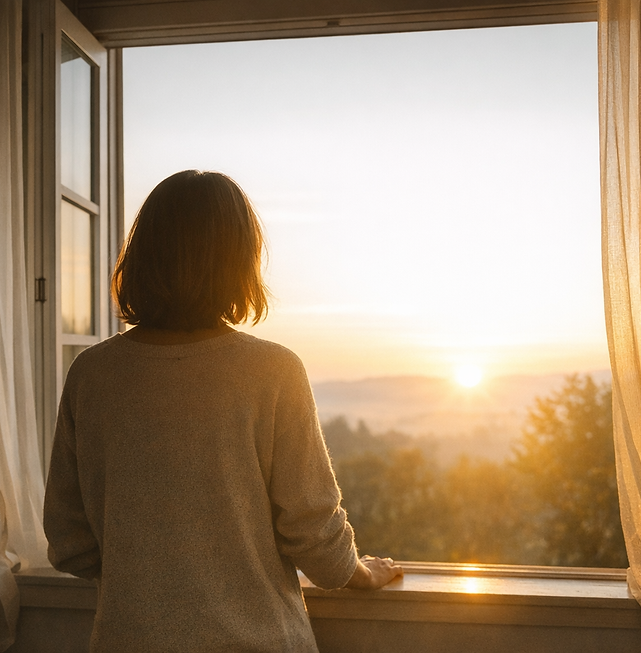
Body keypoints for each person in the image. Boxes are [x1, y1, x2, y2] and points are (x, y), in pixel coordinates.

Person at [44, 170, 402, 652]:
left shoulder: (91, 375)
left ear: (143, 253)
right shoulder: (273, 371)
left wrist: (150, 579)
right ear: (241, 260)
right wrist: (357, 571)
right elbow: (315, 536)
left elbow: (69, 541)